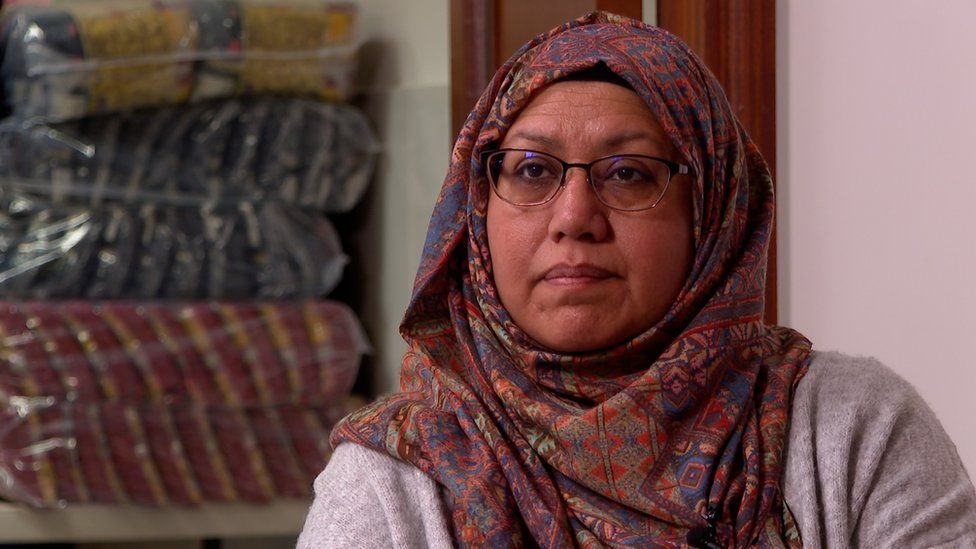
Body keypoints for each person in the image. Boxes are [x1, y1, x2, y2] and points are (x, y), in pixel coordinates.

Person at [297, 11, 976, 548]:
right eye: (532, 170)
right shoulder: (393, 480)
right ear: (477, 211)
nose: (574, 216)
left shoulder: (853, 430)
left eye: (629, 173)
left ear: (710, 215)